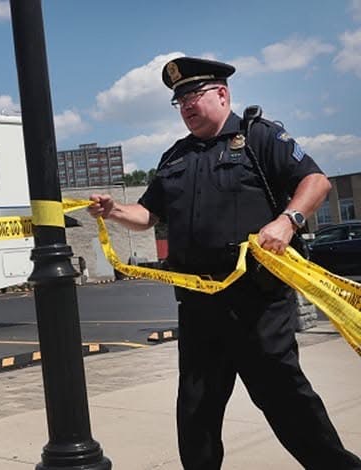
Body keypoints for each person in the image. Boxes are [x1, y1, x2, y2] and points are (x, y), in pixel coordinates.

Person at [88, 56, 361, 469]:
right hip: (198, 304)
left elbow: (316, 181)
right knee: (195, 410)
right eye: (179, 101)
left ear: (221, 93)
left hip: (257, 303)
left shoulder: (258, 137)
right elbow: (148, 215)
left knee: (286, 401)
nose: (186, 106)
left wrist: (288, 220)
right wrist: (114, 211)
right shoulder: (175, 157)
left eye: (194, 95)